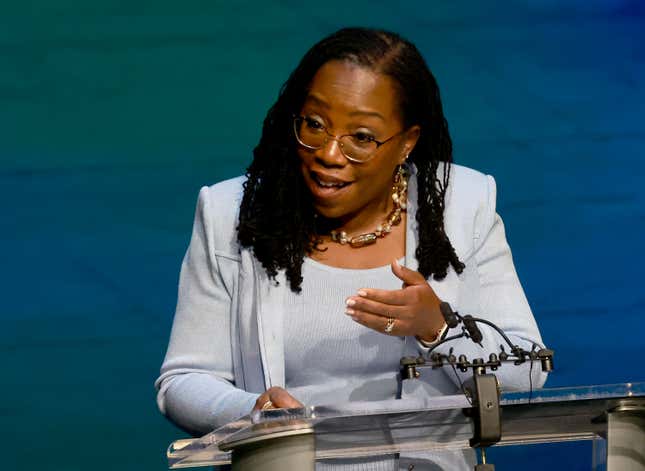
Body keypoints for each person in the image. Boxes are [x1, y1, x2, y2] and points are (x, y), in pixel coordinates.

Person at [155, 27, 547, 470]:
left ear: (406, 143)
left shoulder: (462, 207)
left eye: (361, 137)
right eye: (315, 125)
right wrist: (253, 413)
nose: (329, 153)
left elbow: (527, 373)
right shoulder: (233, 214)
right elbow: (183, 381)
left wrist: (439, 328)